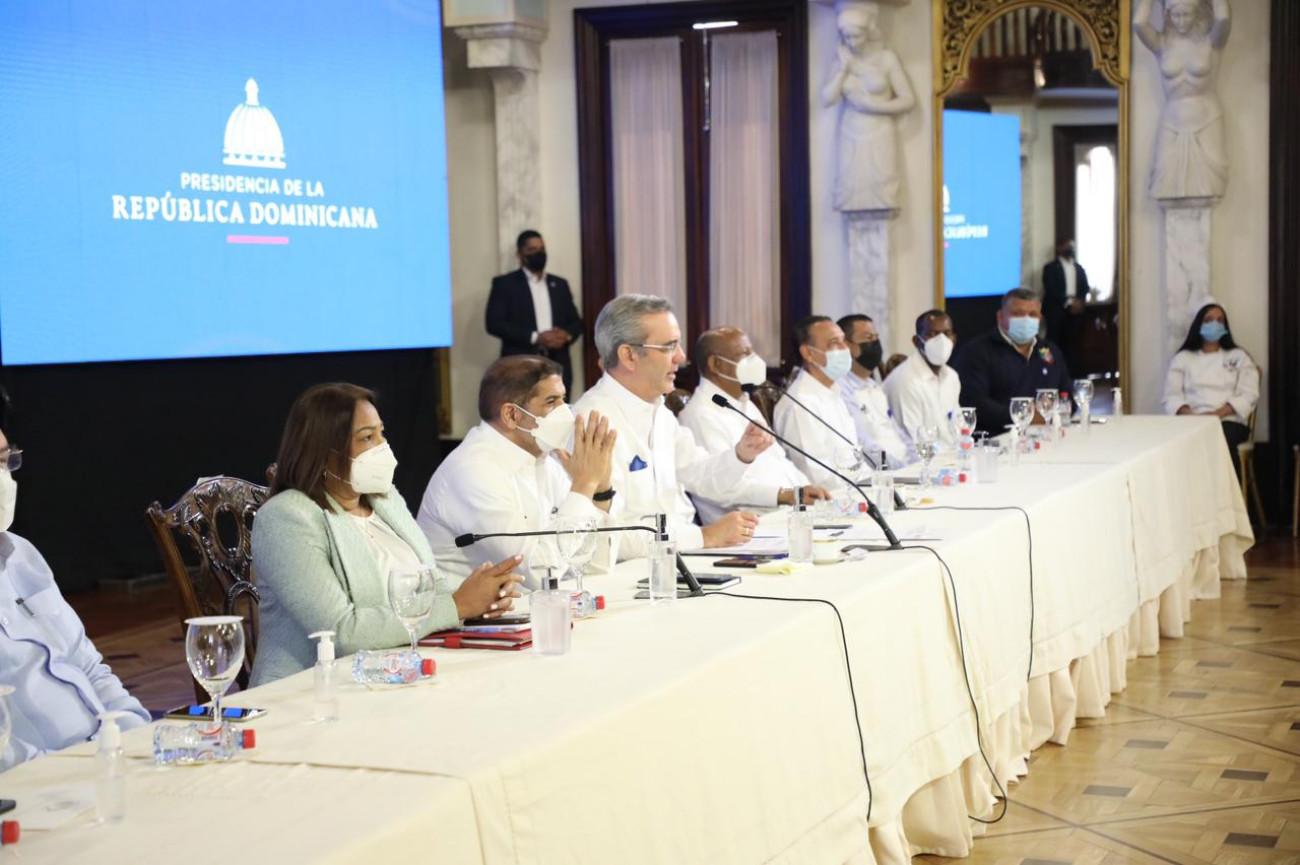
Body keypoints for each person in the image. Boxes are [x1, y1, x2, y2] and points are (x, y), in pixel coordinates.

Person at [250, 383, 524, 686]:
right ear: (323, 451)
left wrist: (480, 596)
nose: (383, 446)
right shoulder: (286, 518)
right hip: (310, 690)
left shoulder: (385, 499)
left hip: (393, 673)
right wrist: (457, 605)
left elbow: (432, 586)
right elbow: (341, 632)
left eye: (381, 433)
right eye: (367, 438)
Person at [574, 295, 770, 557]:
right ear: (629, 355)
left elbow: (698, 474)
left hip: (683, 556)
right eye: (669, 346)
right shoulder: (590, 423)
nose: (681, 356)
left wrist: (742, 454)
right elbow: (604, 537)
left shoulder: (660, 411)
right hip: (637, 571)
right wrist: (705, 536)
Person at [0, 430, 150, 772]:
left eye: (5, 461)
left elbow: (88, 665)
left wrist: (136, 735)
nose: (3, 478)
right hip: (37, 783)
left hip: (105, 757)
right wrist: (71, 772)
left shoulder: (23, 556)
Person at [418, 356, 618, 588]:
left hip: (527, 605)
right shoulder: (473, 471)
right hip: (466, 611)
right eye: (551, 402)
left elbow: (594, 566)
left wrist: (600, 491)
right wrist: (584, 486)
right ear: (512, 415)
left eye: (563, 399)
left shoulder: (546, 462)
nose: (566, 412)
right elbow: (539, 574)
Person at [678, 327, 829, 523]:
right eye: (745, 353)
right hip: (752, 526)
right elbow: (722, 488)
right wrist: (785, 495)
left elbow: (780, 460)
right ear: (716, 364)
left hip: (789, 514)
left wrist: (806, 490)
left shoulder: (744, 403)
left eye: (753, 352)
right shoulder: (700, 414)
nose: (755, 360)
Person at [1134, 0, 1232, 200]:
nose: (1181, 21)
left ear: (1197, 13)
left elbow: (1223, 18)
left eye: (1186, 14)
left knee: (1210, 188)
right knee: (1162, 185)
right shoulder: (1162, 44)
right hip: (1172, 123)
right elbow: (1138, 23)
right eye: (1176, 15)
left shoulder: (1211, 42)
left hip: (1206, 121)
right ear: (1168, 15)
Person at [951, 288, 1075, 435]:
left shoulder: (1050, 350)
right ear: (1000, 316)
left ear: (1040, 318)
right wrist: (1024, 416)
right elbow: (973, 402)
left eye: (1032, 314)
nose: (1026, 319)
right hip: (996, 438)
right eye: (1017, 314)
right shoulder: (977, 351)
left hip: (1046, 435)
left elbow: (1068, 395)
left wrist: (1055, 412)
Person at [1163, 301, 1259, 475]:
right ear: (1198, 324)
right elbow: (1172, 396)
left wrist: (1216, 414)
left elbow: (1249, 394)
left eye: (1220, 320)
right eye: (1209, 320)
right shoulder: (1183, 358)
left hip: (1229, 420)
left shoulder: (1239, 356)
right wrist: (1193, 416)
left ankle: (1223, 492)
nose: (1215, 324)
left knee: (1218, 440)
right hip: (1191, 420)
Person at [485, 230, 584, 391]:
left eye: (542, 249)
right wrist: (536, 337)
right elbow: (494, 323)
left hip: (557, 365)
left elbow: (576, 322)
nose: (539, 254)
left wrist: (565, 335)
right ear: (520, 254)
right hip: (520, 366)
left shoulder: (559, 284)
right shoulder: (505, 284)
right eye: (532, 250)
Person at [773, 316, 861, 488]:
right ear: (808, 353)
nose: (845, 348)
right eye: (834, 343)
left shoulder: (832, 391)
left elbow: (853, 459)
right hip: (833, 498)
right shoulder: (800, 404)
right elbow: (816, 477)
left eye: (844, 341)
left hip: (856, 489)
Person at [838, 314, 912, 467]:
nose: (875, 343)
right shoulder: (842, 389)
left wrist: (917, 463)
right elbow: (864, 445)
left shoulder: (875, 387)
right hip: (884, 472)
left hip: (905, 468)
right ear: (847, 345)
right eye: (868, 337)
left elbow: (898, 433)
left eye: (876, 337)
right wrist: (902, 468)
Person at [882, 310, 964, 447]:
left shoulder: (951, 376)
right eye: (932, 334)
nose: (941, 340)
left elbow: (958, 428)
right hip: (919, 458)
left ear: (954, 339)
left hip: (949, 455)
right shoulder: (905, 380)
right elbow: (915, 442)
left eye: (947, 333)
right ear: (916, 341)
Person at [1042, 238, 1091, 370]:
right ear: (1059, 248)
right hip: (1056, 310)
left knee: (1073, 343)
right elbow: (1050, 288)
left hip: (1076, 312)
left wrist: (1079, 301)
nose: (1070, 249)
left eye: (1072, 246)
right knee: (1053, 343)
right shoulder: (1050, 268)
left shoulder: (1079, 268)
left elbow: (1085, 287)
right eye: (1067, 246)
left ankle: (1071, 372)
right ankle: (1050, 369)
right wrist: (1068, 302)